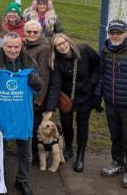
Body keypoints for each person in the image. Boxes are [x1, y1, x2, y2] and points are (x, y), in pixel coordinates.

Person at [0, 32, 43, 195]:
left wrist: (35, 81)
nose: (13, 50)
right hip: (0, 114)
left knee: (26, 152)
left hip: (22, 115)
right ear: (3, 46)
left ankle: (22, 181)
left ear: (21, 46)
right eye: (9, 47)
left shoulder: (30, 63)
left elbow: (39, 86)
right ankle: (0, 179)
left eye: (16, 47)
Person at [46, 33, 100, 173]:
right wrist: (50, 108)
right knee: (66, 123)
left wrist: (91, 83)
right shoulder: (56, 62)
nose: (62, 46)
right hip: (67, 98)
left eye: (64, 42)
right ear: (54, 48)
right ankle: (69, 147)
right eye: (58, 45)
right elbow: (55, 85)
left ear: (69, 41)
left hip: (85, 95)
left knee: (83, 124)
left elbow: (97, 65)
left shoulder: (85, 50)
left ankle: (81, 155)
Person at [96, 20, 127, 188]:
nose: (115, 36)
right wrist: (98, 95)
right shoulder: (105, 49)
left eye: (119, 32)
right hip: (110, 101)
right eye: (112, 32)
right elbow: (102, 74)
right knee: (115, 135)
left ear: (126, 34)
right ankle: (117, 162)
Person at [23, 20, 52, 164]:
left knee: (35, 125)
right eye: (29, 31)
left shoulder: (44, 48)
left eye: (35, 32)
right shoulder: (23, 44)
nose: (32, 34)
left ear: (40, 33)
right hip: (24, 91)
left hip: (35, 93)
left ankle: (34, 154)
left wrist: (39, 97)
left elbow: (44, 75)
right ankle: (27, 151)